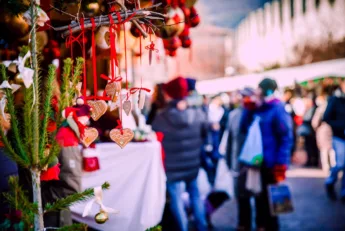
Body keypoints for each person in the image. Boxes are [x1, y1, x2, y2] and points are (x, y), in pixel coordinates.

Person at [152, 77, 208, 231]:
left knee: (176, 200)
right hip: (192, 165)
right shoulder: (197, 113)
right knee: (196, 196)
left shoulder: (161, 117)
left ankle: (183, 228)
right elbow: (205, 134)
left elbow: (154, 138)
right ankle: (201, 225)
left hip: (172, 167)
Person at [240, 78, 293, 231]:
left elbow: (285, 137)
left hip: (271, 163)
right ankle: (261, 225)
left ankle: (271, 227)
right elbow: (243, 128)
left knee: (272, 203)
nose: (256, 91)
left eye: (259, 88)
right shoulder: (257, 108)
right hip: (257, 162)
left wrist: (281, 164)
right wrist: (248, 108)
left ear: (266, 90)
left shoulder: (276, 108)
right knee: (259, 199)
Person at [219, 88, 258, 231]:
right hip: (238, 162)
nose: (244, 99)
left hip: (255, 164)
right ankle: (244, 224)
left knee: (258, 196)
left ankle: (260, 224)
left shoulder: (258, 114)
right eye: (243, 96)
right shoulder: (233, 115)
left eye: (247, 96)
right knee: (241, 196)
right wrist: (229, 161)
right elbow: (229, 140)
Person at [323, 80, 345, 201]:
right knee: (340, 163)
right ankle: (330, 182)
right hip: (339, 136)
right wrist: (340, 126)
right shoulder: (335, 99)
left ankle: (344, 192)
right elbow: (326, 117)